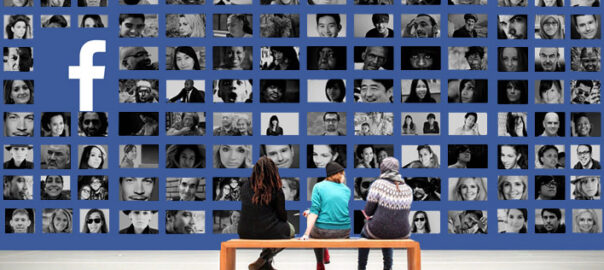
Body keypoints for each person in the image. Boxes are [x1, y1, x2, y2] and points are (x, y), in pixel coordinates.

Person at [238, 157, 295, 270]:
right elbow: (282, 216)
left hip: (244, 231)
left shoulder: (245, 186)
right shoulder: (276, 188)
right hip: (268, 229)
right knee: (291, 230)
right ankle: (263, 259)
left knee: (270, 230)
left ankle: (265, 264)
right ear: (274, 171)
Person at [357, 157, 412, 270]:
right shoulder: (408, 189)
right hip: (404, 232)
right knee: (388, 230)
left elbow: (368, 211)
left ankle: (361, 268)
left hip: (379, 230)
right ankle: (388, 267)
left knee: (367, 233)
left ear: (382, 169)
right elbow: (404, 214)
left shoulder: (378, 184)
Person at [300, 162, 350, 270]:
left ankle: (320, 263)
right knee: (321, 223)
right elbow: (332, 209)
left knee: (315, 229)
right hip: (344, 232)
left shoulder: (318, 187)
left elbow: (315, 212)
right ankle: (325, 253)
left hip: (323, 231)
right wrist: (311, 212)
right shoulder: (347, 190)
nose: (344, 177)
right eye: (343, 174)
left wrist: (306, 234)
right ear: (338, 174)